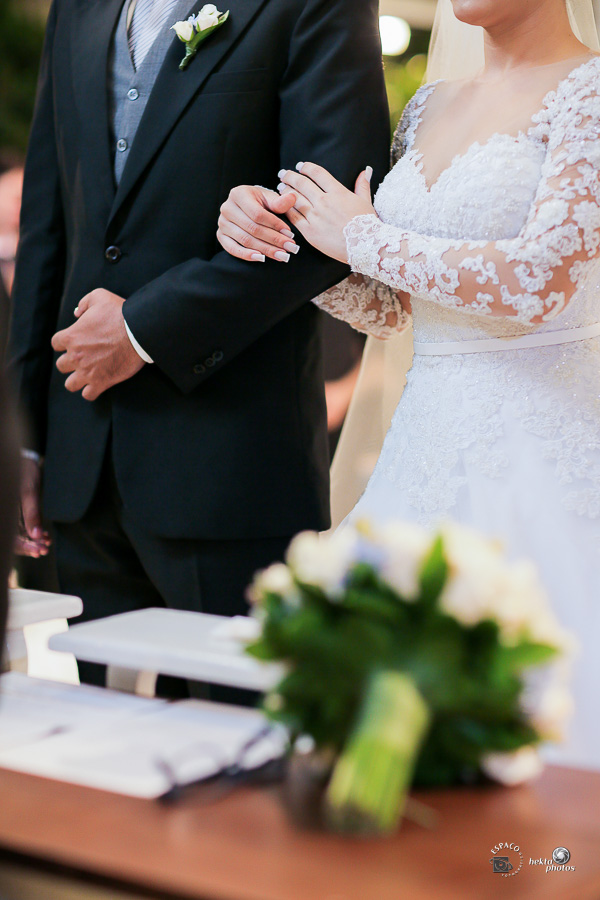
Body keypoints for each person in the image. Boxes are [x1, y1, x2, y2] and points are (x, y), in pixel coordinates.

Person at [216, 0, 600, 764]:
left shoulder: (590, 92)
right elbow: (391, 307)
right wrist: (281, 240)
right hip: (422, 445)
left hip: (545, 450)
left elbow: (537, 283)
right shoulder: (428, 102)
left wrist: (358, 235)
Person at [8, 0, 390, 693]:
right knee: (104, 755)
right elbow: (49, 228)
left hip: (228, 463)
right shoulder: (78, 10)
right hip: (81, 457)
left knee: (234, 755)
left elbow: (333, 218)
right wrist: (24, 441)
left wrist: (144, 329)